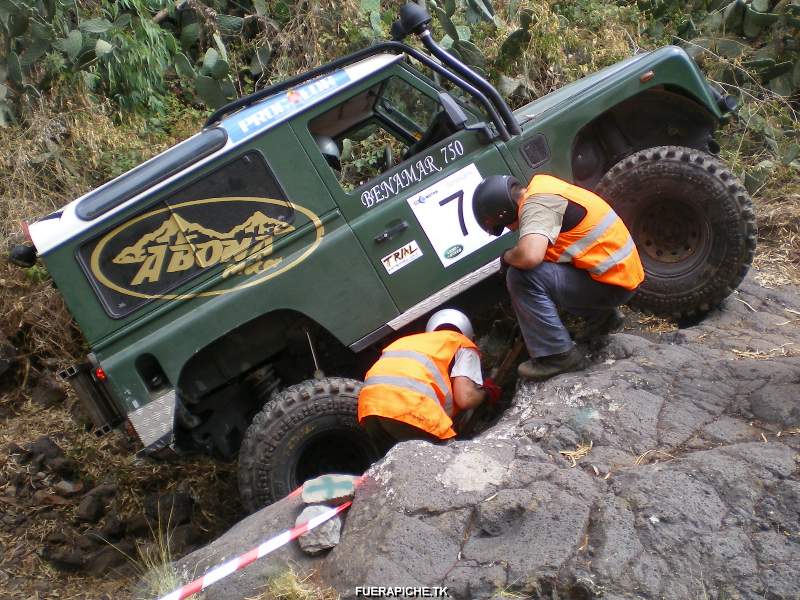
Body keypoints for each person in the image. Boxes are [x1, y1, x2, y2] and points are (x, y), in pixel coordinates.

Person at [472, 173, 645, 381]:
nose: (511, 229)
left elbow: (529, 256)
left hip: (613, 285)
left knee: (521, 276)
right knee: (545, 269)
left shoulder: (537, 204)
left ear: (502, 212)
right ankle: (603, 318)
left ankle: (557, 355)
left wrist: (507, 257)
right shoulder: (543, 188)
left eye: (505, 225)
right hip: (616, 277)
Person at [357, 308, 502, 455]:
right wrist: (486, 393)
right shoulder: (463, 344)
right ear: (472, 336)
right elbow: (466, 398)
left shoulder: (408, 341)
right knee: (448, 463)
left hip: (371, 408)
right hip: (409, 408)